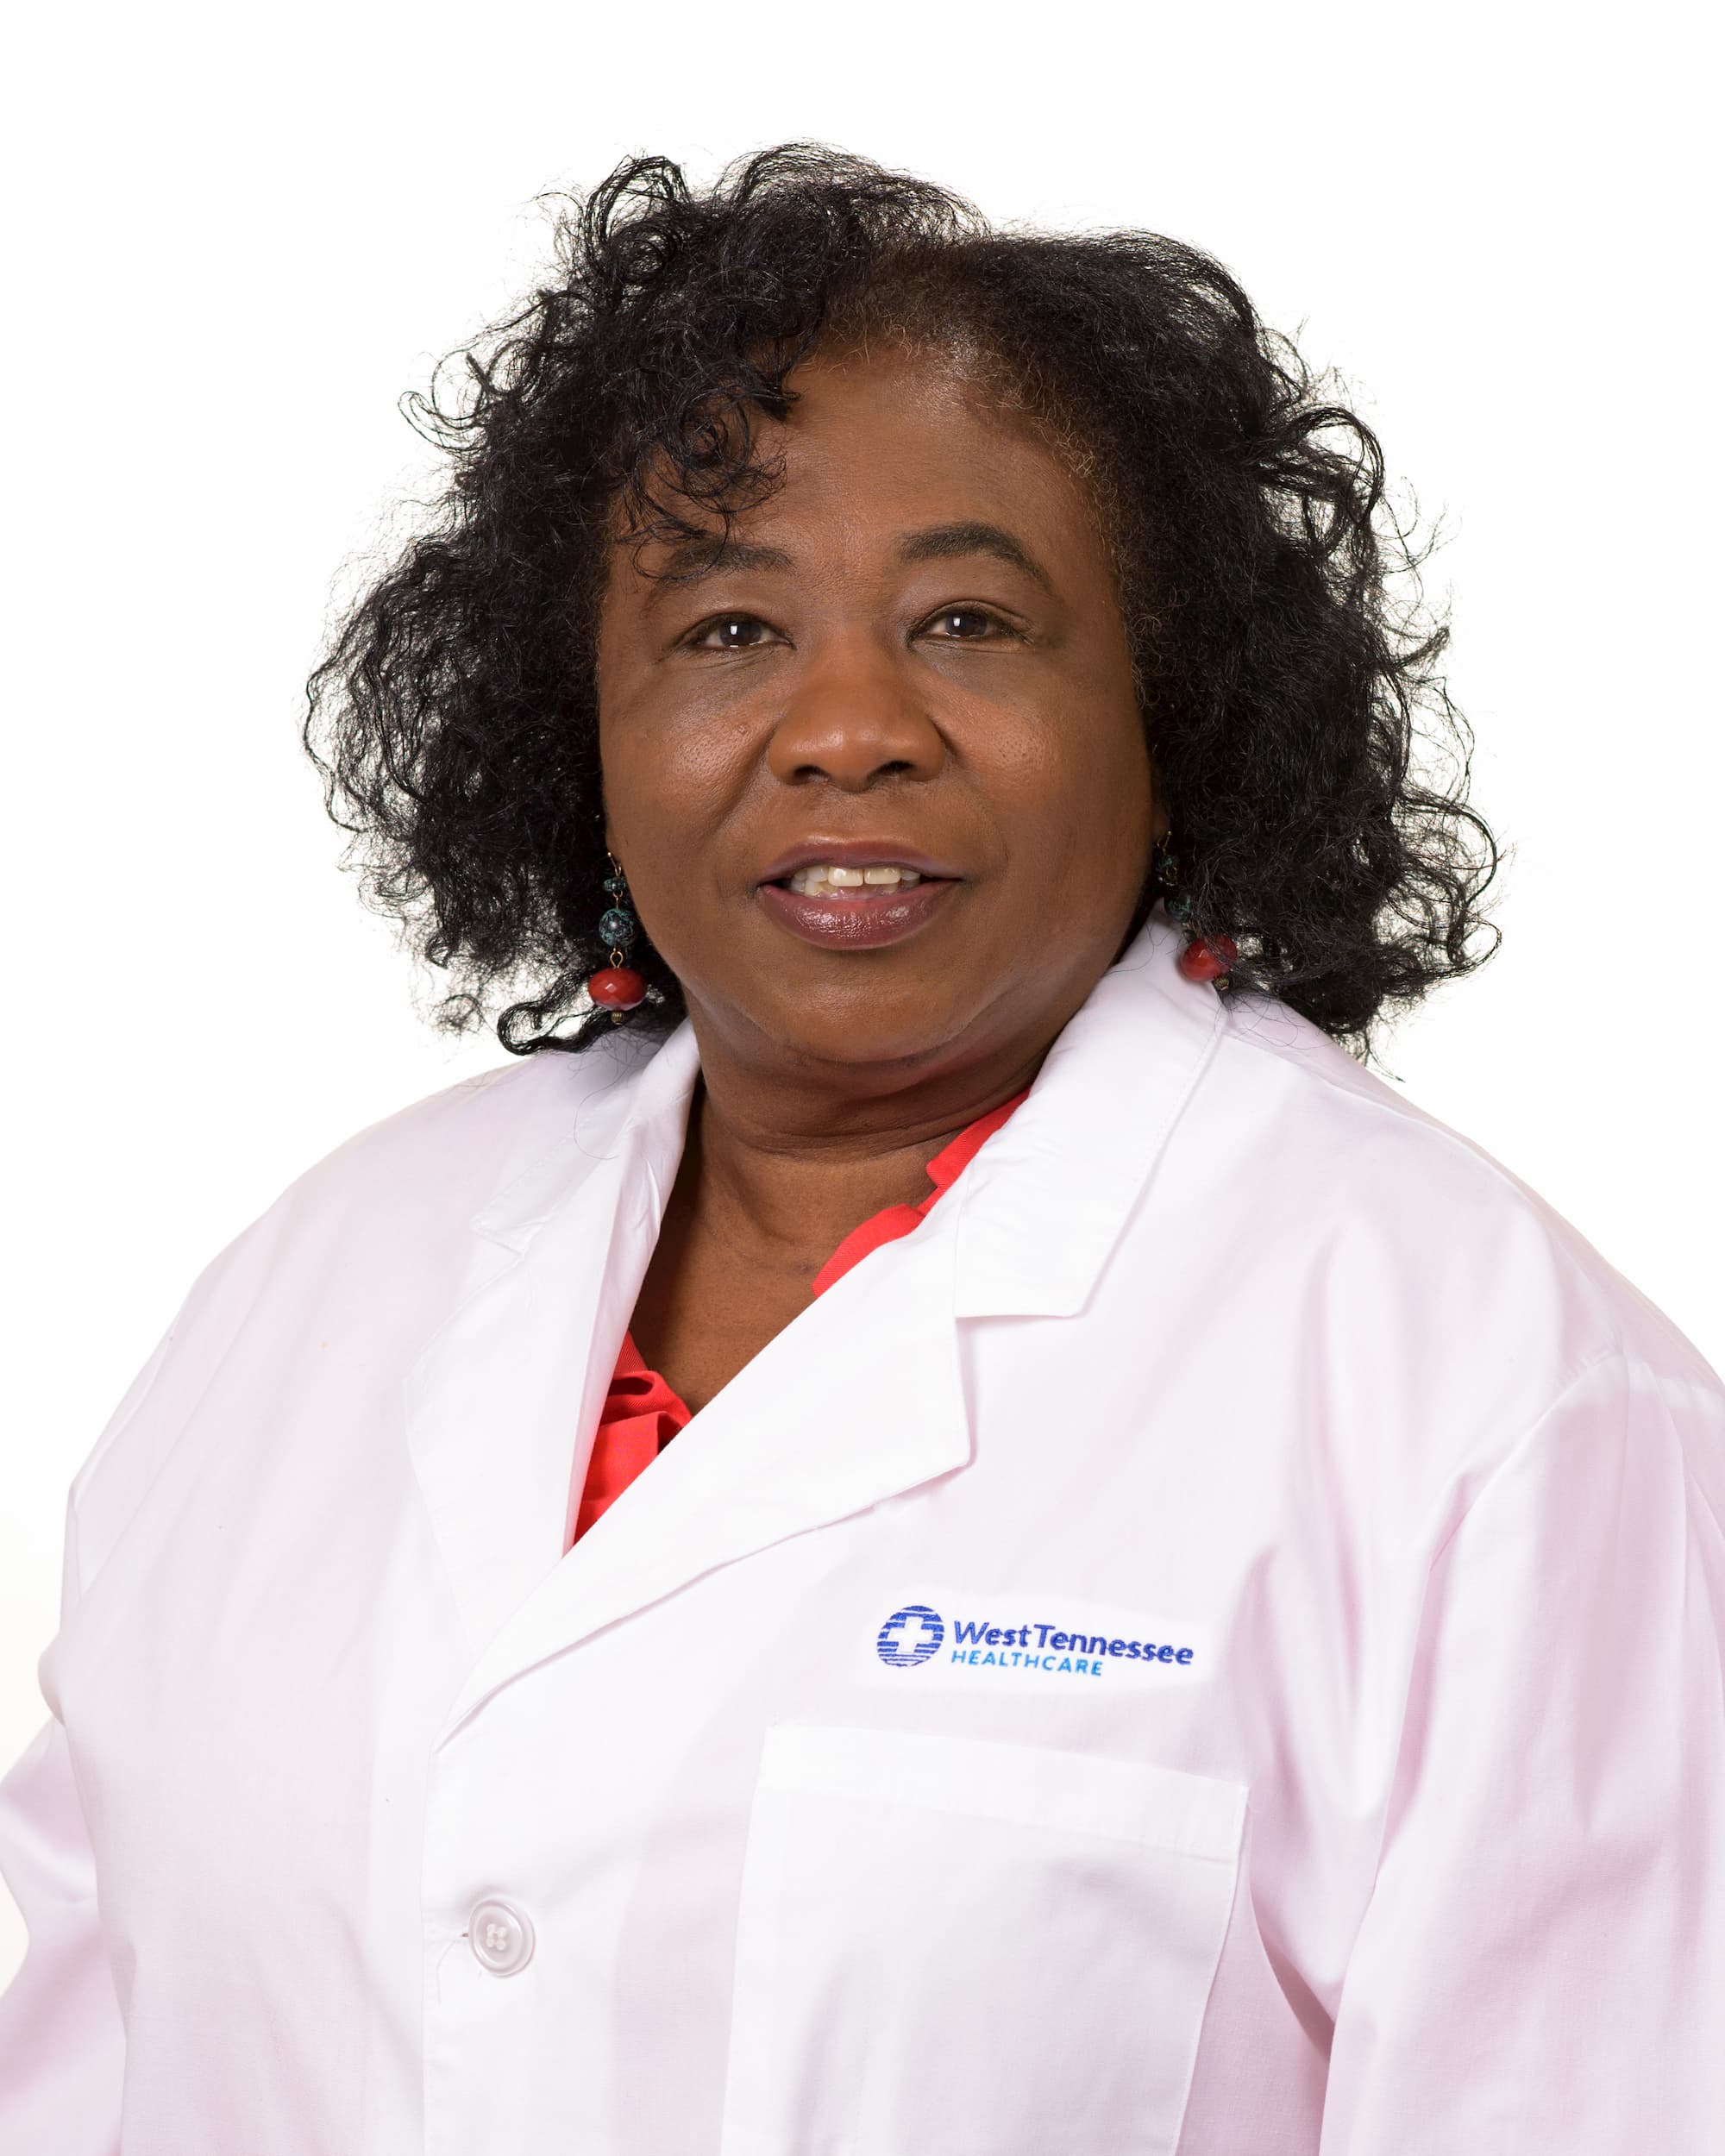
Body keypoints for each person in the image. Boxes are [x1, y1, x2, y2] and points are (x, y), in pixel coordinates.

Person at [1, 143, 1720, 2156]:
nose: (844, 726)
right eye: (729, 629)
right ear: (581, 730)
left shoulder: (1485, 1389)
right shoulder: (319, 1278)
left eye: (968, 620)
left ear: (1172, 714)